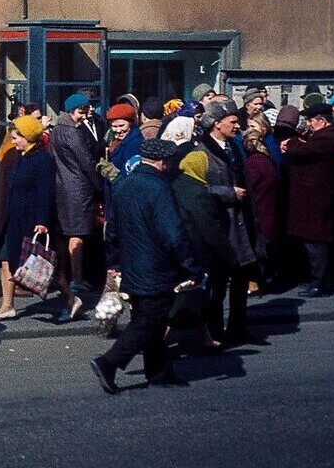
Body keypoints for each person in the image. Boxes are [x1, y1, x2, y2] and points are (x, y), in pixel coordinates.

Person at [92, 137, 201, 394]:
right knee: (149, 322)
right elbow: (174, 234)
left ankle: (160, 372)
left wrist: (115, 262)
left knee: (149, 317)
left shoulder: (125, 186)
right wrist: (191, 266)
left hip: (132, 266)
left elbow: (112, 231)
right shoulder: (159, 189)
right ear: (163, 162)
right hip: (156, 268)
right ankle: (108, 362)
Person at [0, 114, 82, 323]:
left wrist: (43, 221)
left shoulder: (43, 160)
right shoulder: (21, 157)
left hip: (33, 222)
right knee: (6, 259)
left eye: (16, 137)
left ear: (28, 137)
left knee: (45, 267)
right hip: (15, 219)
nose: (13, 141)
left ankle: (71, 299)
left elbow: (46, 192)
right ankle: (7, 306)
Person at [195, 99, 261, 343]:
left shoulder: (234, 147)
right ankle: (214, 332)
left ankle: (238, 328)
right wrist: (228, 193)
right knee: (217, 284)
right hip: (220, 228)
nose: (237, 126)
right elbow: (197, 189)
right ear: (216, 124)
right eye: (232, 121)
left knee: (241, 278)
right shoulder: (200, 153)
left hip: (240, 225)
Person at [282, 103, 334, 296]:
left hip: (317, 200)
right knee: (313, 242)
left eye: (311, 120)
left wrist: (291, 143)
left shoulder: (328, 137)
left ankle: (319, 283)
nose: (309, 124)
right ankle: (318, 280)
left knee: (315, 242)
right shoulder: (325, 136)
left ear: (321, 120)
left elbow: (304, 151)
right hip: (314, 199)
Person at [172, 149, 234, 351]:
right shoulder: (198, 191)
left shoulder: (177, 184)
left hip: (181, 251)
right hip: (201, 253)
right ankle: (213, 335)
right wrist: (228, 254)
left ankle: (205, 336)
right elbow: (210, 229)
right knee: (207, 296)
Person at [52, 92, 102, 293]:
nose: (84, 115)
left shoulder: (57, 129)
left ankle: (64, 275)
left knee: (66, 234)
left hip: (62, 185)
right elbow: (86, 162)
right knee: (78, 234)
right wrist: (99, 184)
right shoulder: (73, 131)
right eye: (81, 111)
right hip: (78, 188)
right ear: (72, 110)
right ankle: (77, 278)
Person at [243, 113, 281, 290]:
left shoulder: (253, 163)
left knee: (258, 249)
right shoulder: (268, 160)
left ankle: (257, 284)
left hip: (259, 210)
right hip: (270, 208)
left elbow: (249, 187)